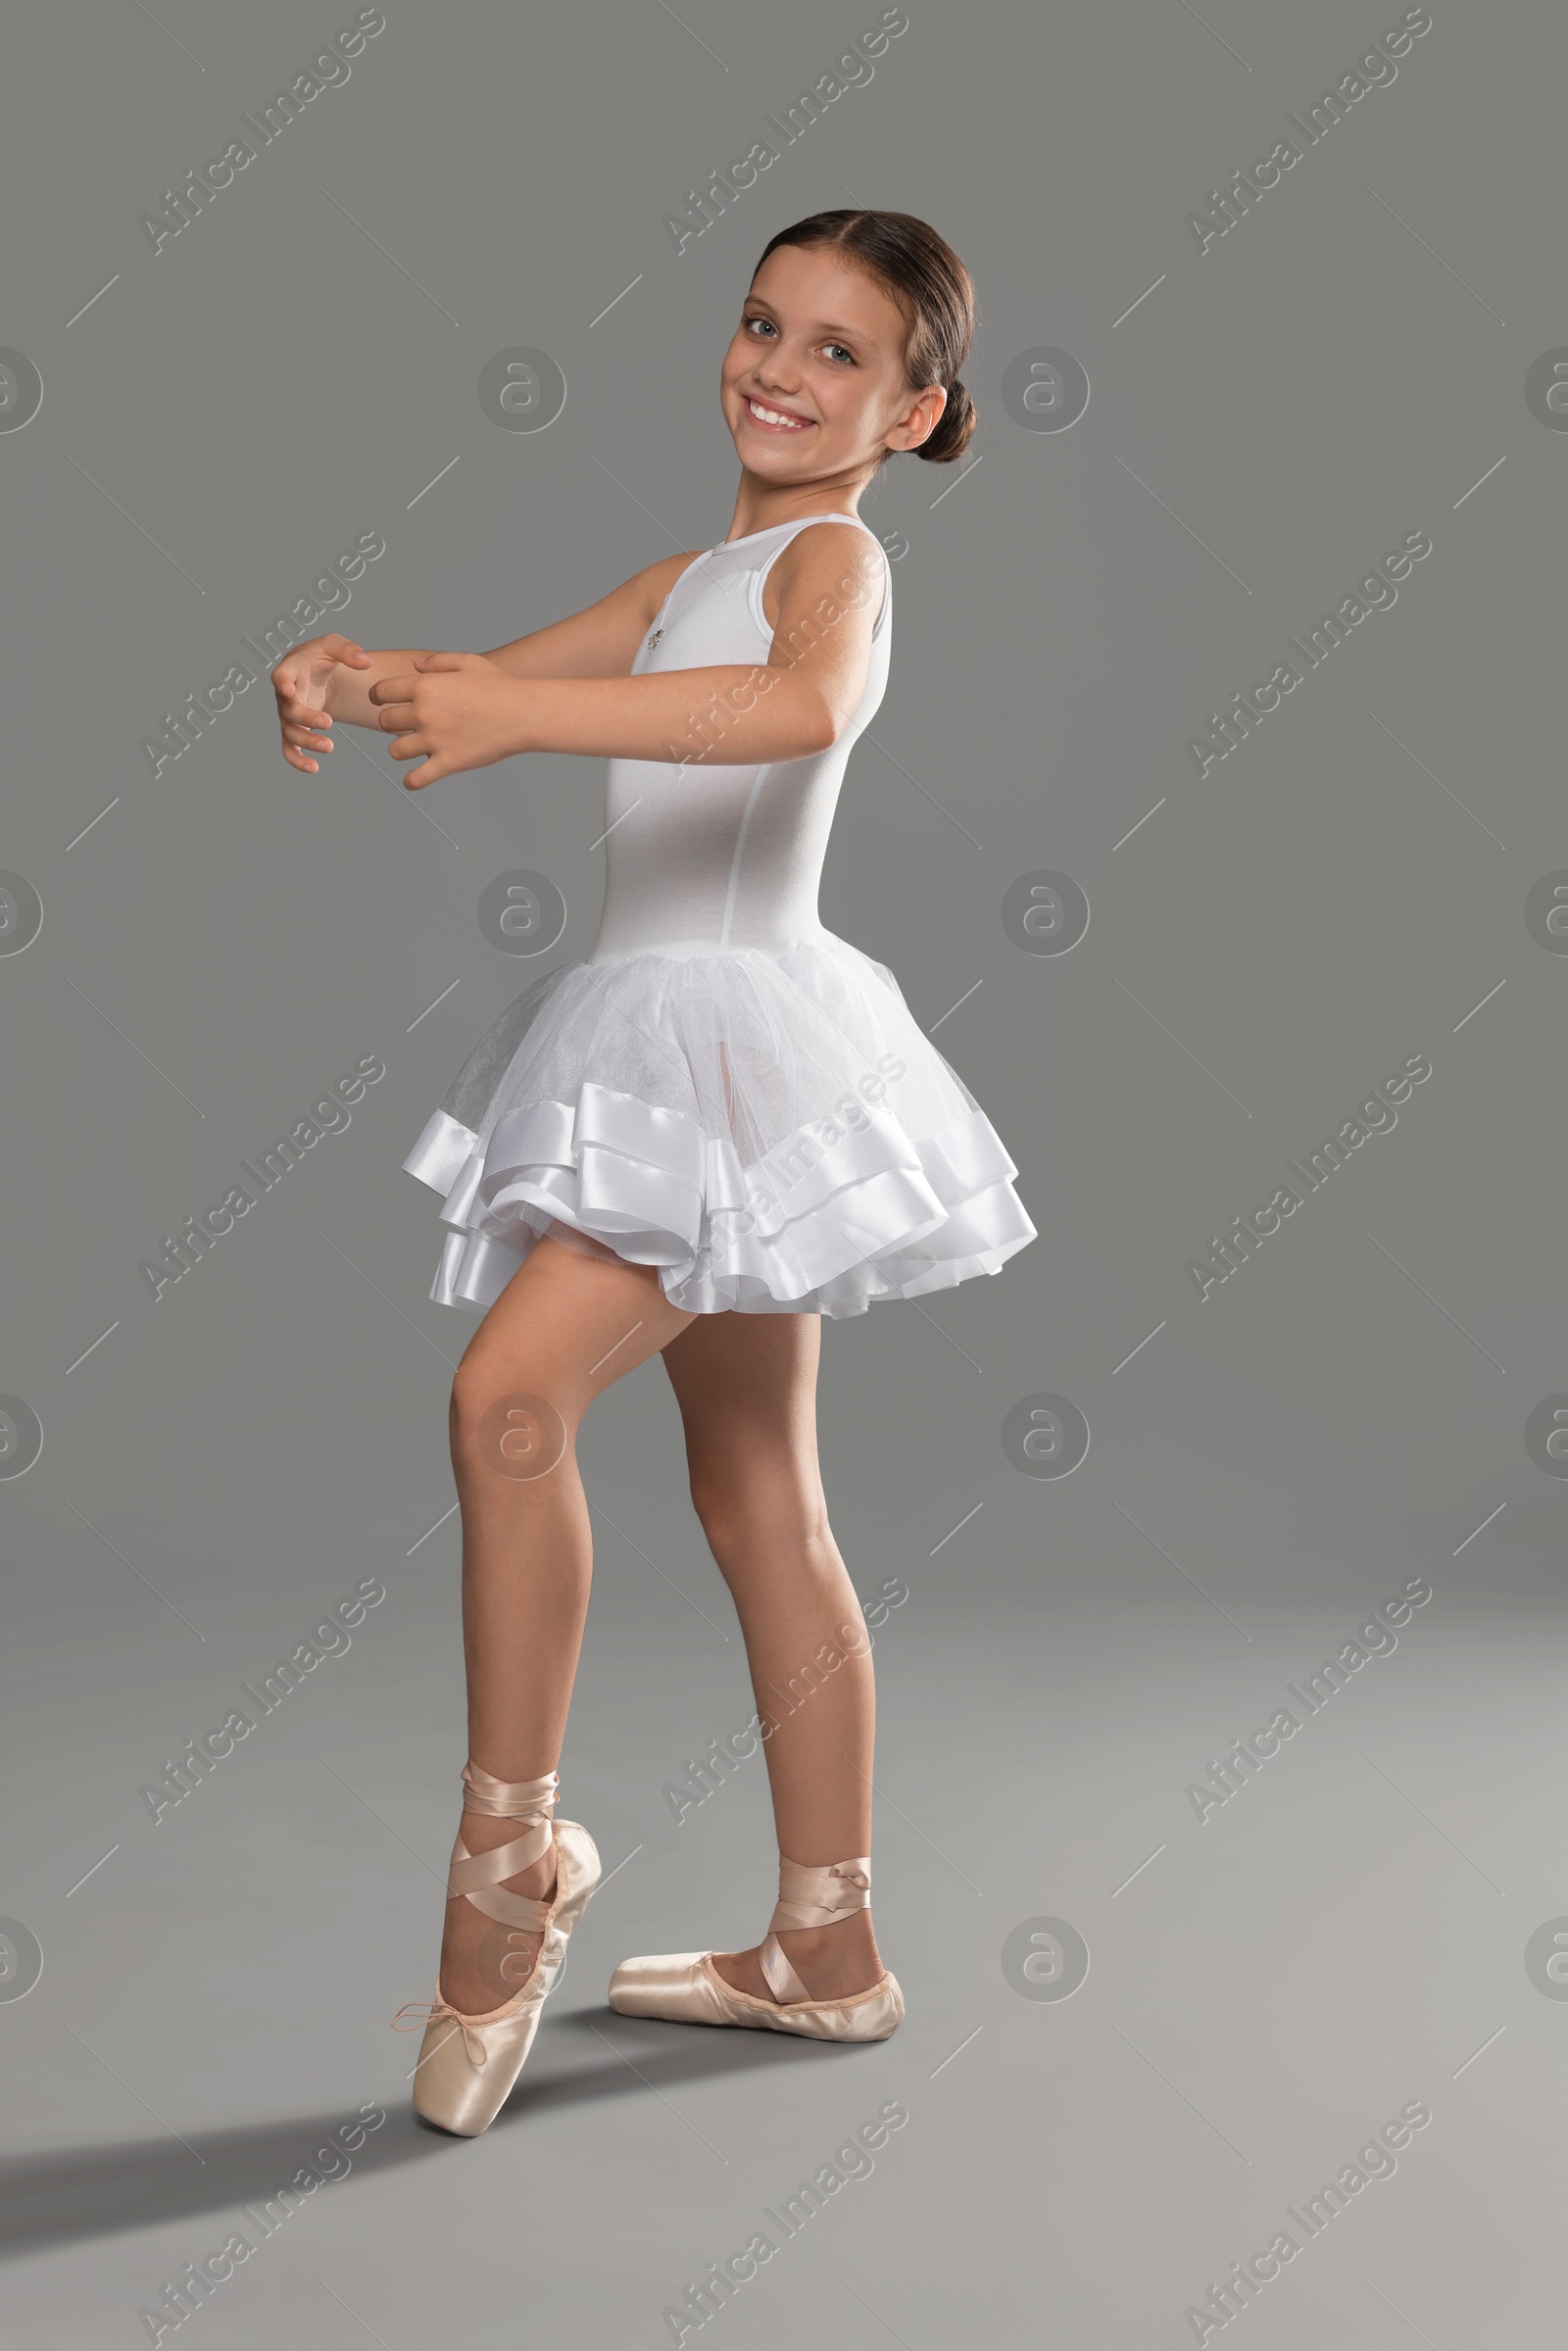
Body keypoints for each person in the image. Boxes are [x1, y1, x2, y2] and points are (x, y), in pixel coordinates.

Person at [270, 209, 1036, 2137]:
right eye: (763, 323)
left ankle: (506, 1867)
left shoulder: (836, 564)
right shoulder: (692, 570)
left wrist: (524, 712)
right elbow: (463, 682)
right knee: (757, 1484)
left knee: (507, 1398)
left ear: (912, 405)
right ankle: (825, 1948)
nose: (778, 367)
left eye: (839, 353)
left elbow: (795, 709)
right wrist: (349, 675)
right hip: (667, 1041)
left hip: (733, 1050)